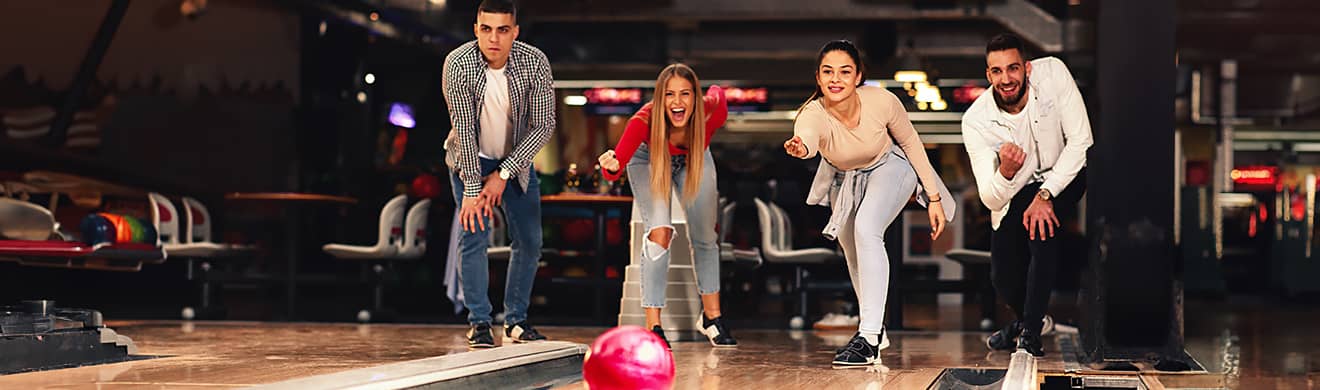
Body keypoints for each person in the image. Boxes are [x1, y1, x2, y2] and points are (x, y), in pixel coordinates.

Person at [783, 40, 954, 366]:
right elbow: (807, 138)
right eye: (828, 72)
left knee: (867, 228)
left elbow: (912, 143)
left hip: (892, 166)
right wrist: (800, 147)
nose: (836, 79)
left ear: (858, 76)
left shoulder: (881, 101)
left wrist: (933, 197)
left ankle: (869, 336)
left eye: (844, 72)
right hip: (846, 178)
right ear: (818, 78)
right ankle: (875, 328)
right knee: (851, 247)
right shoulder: (812, 113)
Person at [961, 33, 1092, 357]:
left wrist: (1047, 194)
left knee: (1040, 233)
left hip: (1065, 173)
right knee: (1001, 274)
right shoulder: (976, 121)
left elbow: (1081, 142)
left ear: (1027, 68)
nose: (1006, 79)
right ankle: (1024, 321)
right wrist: (1005, 171)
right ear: (988, 74)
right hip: (1017, 188)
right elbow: (990, 198)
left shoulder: (1053, 74)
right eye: (997, 71)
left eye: (1013, 68)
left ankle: (1030, 333)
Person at [596, 63, 736, 349]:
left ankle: (712, 318)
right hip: (648, 157)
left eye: (685, 94)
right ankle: (654, 326)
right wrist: (609, 166)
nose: (677, 102)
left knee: (706, 235)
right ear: (660, 99)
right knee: (660, 233)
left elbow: (718, 93)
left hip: (695, 154)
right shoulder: (643, 121)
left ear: (696, 98)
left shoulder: (712, 112)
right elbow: (616, 166)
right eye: (670, 95)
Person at [442, 0, 555, 348]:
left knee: (530, 241)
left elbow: (544, 125)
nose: (494, 38)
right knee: (473, 236)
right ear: (476, 29)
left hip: (516, 162)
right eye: (486, 29)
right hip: (469, 160)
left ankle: (516, 320)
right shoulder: (458, 64)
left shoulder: (534, 62)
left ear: (515, 32)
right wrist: (476, 188)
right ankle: (479, 322)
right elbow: (464, 128)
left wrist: (504, 173)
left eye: (503, 30)